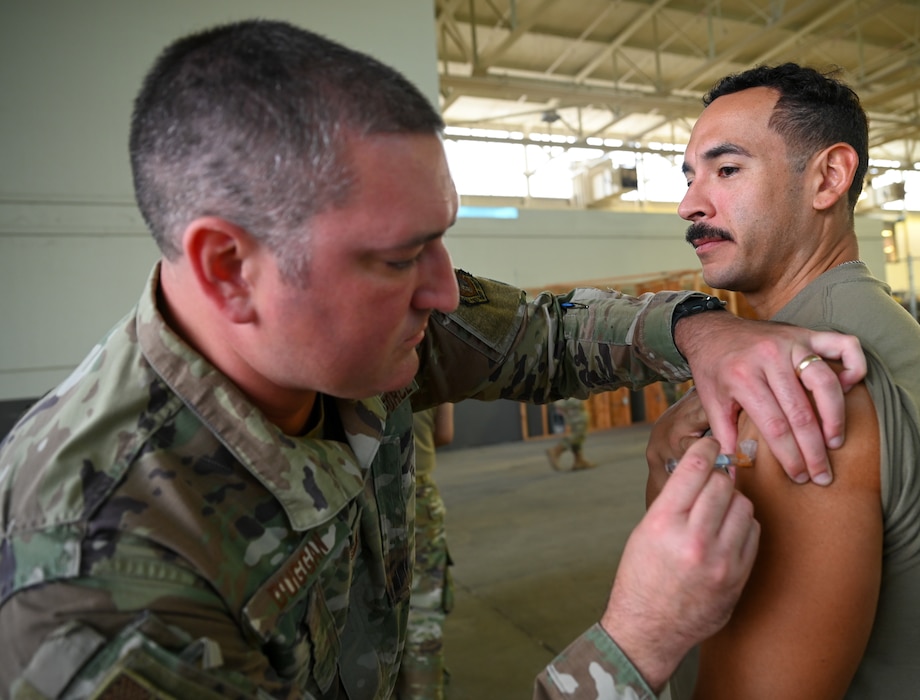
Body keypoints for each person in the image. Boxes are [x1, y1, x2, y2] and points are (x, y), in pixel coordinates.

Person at [0, 22, 867, 699]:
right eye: (398, 257)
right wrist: (637, 642)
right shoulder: (99, 585)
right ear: (231, 268)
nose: (446, 292)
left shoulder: (353, 331)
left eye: (442, 240)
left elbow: (537, 334)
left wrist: (698, 330)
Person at [647, 63, 920, 699]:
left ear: (828, 177)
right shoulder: (869, 322)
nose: (690, 204)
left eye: (727, 169)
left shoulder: (800, 384)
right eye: (690, 176)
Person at [398, 403, 456, 699]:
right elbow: (444, 434)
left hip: (359, 497)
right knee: (423, 618)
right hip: (419, 496)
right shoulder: (430, 367)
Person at [546, 397, 596, 471]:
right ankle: (556, 450)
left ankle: (578, 460)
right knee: (579, 432)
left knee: (577, 432)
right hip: (572, 403)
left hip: (568, 402)